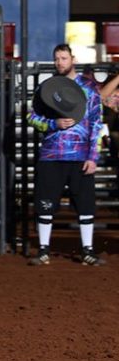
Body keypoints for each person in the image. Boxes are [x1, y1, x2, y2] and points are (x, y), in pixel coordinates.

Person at [27, 44, 105, 266]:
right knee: (45, 202)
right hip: (51, 155)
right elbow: (32, 117)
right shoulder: (46, 88)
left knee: (85, 203)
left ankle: (87, 249)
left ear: (73, 59)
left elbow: (96, 124)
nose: (60, 62)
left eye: (63, 58)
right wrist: (54, 123)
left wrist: (93, 157)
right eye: (57, 59)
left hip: (80, 155)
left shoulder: (89, 89)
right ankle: (43, 250)